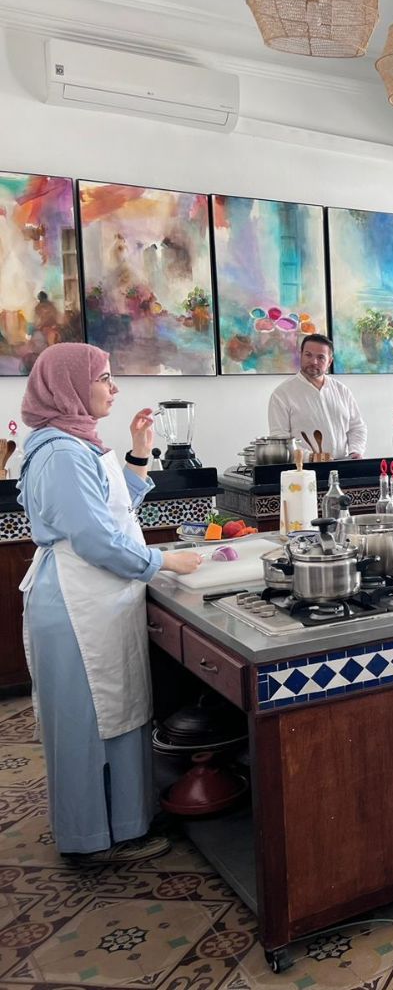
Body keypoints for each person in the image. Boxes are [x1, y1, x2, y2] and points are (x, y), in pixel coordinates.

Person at [18, 343, 202, 861]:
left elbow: (113, 509)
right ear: (69, 386)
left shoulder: (74, 441)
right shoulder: (59, 452)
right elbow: (98, 539)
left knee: (116, 713)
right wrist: (163, 563)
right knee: (86, 724)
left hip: (99, 596)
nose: (113, 387)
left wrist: (139, 452)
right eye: (104, 378)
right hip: (78, 602)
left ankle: (125, 821)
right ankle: (91, 839)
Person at [268, 334, 367, 459]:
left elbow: (357, 426)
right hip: (303, 471)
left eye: (321, 357)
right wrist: (311, 458)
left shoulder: (342, 391)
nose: (314, 362)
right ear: (301, 355)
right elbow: (280, 440)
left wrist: (355, 451)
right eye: (308, 355)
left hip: (343, 467)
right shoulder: (282, 394)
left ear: (329, 361)